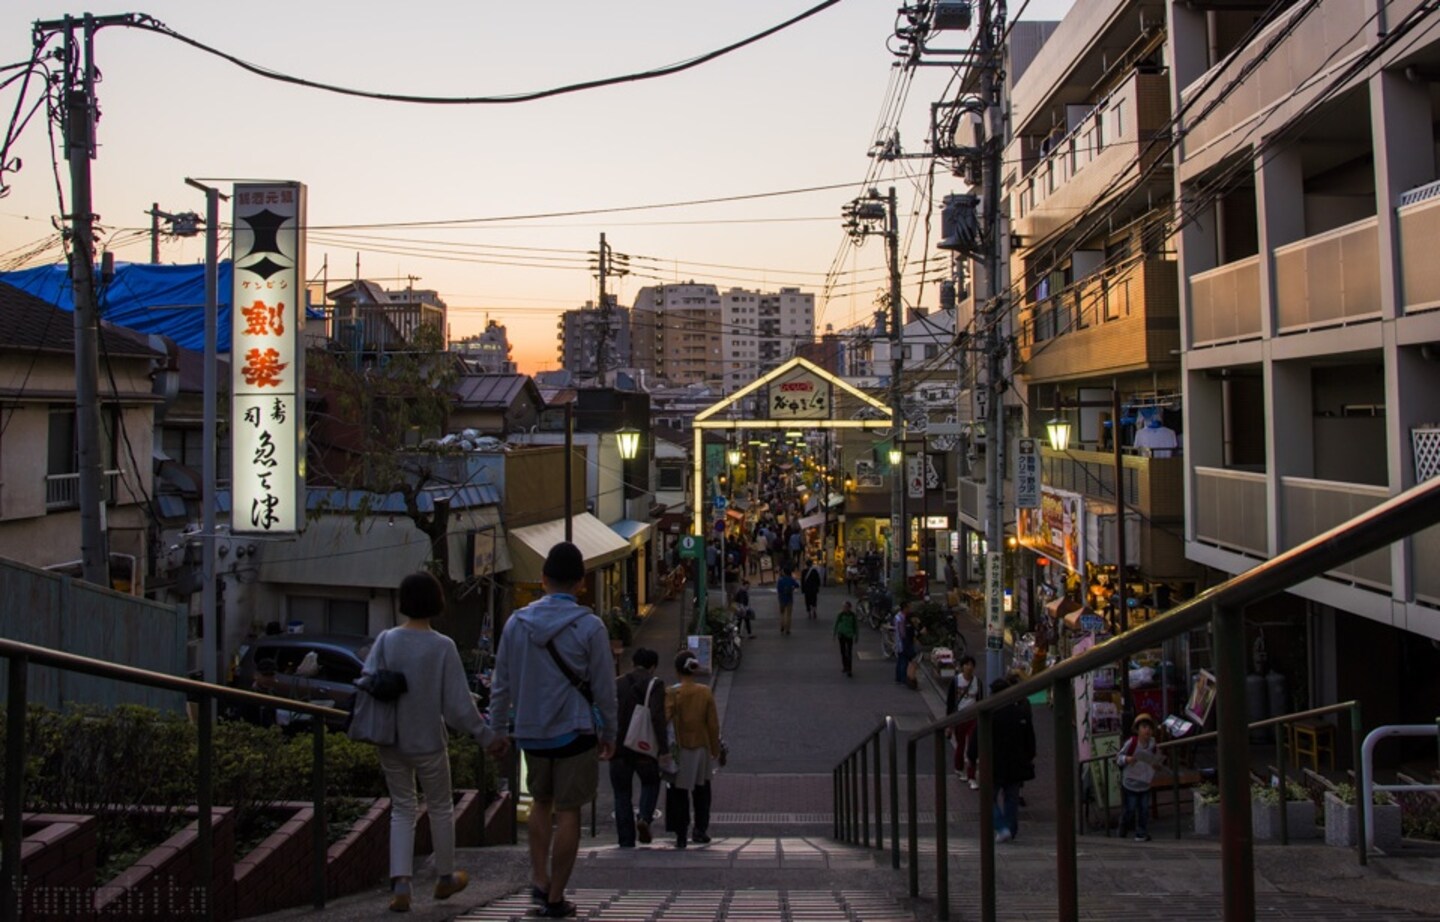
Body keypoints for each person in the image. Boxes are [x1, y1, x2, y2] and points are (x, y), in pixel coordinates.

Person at [488, 542, 618, 919]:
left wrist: (497, 729)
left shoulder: (517, 623)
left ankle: (539, 878)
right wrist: (610, 731)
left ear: (543, 579)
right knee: (571, 810)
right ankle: (557, 895)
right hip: (575, 731)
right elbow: (604, 687)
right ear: (580, 583)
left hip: (530, 730)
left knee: (540, 804)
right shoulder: (590, 627)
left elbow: (501, 683)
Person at [367, 571, 508, 914]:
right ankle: (445, 877)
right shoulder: (441, 646)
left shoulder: (386, 640)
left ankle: (401, 882)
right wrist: (488, 737)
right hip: (428, 740)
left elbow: (367, 682)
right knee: (440, 807)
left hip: (391, 739)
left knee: (402, 808)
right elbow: (459, 706)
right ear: (437, 602)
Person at [969, 675, 1037, 843]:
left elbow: (976, 737)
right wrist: (1028, 757)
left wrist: (972, 757)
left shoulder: (989, 712)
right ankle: (1010, 830)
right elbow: (1030, 740)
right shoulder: (1019, 711)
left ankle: (1001, 827)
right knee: (1011, 798)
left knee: (987, 797)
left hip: (994, 763)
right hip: (1016, 763)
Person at [611, 649, 667, 848]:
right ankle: (644, 817)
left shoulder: (617, 683)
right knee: (651, 783)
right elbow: (658, 717)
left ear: (634, 663)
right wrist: (664, 748)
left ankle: (625, 840)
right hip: (644, 746)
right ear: (653, 666)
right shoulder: (655, 684)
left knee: (621, 793)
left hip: (619, 745)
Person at [665, 651, 722, 848]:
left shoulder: (671, 693)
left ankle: (681, 834)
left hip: (680, 749)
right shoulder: (704, 692)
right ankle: (700, 829)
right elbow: (713, 724)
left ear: (677, 670)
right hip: (701, 747)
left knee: (679, 792)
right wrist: (715, 748)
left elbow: (665, 720)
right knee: (702, 791)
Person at [1117, 712, 1163, 842]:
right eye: (1143, 727)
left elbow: (1157, 760)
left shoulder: (1153, 745)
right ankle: (1123, 828)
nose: (1147, 730)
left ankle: (1141, 833)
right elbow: (1119, 757)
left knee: (1144, 810)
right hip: (1130, 782)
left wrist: (1156, 765)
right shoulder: (1131, 743)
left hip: (1145, 782)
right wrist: (1127, 759)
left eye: (1149, 727)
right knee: (1130, 809)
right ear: (1137, 730)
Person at [945, 655, 984, 788]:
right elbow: (950, 702)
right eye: (966, 664)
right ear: (962, 667)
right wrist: (949, 723)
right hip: (959, 717)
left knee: (972, 746)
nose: (969, 667)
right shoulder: (956, 681)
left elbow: (980, 700)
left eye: (971, 665)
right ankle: (959, 768)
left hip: (972, 717)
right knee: (961, 744)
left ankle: (972, 776)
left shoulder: (977, 682)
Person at [893, 604, 916, 687]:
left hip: (899, 642)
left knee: (900, 660)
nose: (909, 609)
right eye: (908, 608)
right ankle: (903, 679)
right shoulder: (902, 619)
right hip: (903, 643)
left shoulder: (898, 617)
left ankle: (898, 678)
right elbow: (903, 633)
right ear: (904, 608)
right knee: (903, 661)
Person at [833, 601, 858, 677]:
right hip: (842, 634)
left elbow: (855, 626)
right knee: (843, 651)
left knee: (849, 652)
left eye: (846, 607)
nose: (845, 608)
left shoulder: (853, 615)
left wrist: (856, 635)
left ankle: (849, 669)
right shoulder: (840, 614)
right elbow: (836, 624)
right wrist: (834, 634)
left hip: (849, 635)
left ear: (850, 608)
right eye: (844, 607)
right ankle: (845, 666)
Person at [775, 569, 800, 636]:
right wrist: (792, 588)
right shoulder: (791, 579)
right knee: (788, 615)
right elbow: (797, 585)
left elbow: (778, 589)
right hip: (789, 598)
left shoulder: (780, 580)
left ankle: (782, 625)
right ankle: (787, 629)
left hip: (781, 598)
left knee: (782, 613)